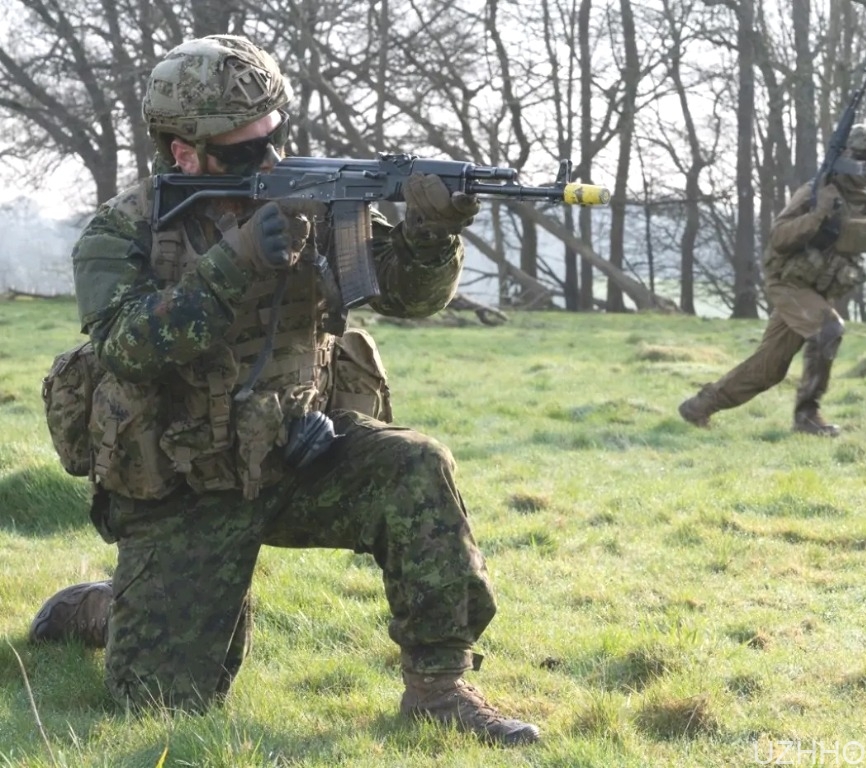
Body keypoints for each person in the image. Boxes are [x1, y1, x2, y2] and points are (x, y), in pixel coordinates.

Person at [29, 34, 540, 746]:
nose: (267, 162)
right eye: (243, 152)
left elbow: (407, 296)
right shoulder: (125, 229)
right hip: (184, 483)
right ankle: (107, 610)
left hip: (301, 454)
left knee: (416, 464)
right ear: (183, 151)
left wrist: (429, 236)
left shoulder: (313, 198)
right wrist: (233, 261)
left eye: (273, 138)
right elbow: (126, 347)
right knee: (162, 704)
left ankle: (438, 689)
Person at [678, 124, 866, 436]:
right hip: (788, 282)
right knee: (829, 329)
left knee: (769, 369)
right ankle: (807, 417)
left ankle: (699, 407)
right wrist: (817, 215)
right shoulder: (818, 192)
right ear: (846, 156)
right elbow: (780, 236)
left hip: (820, 290)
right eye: (863, 158)